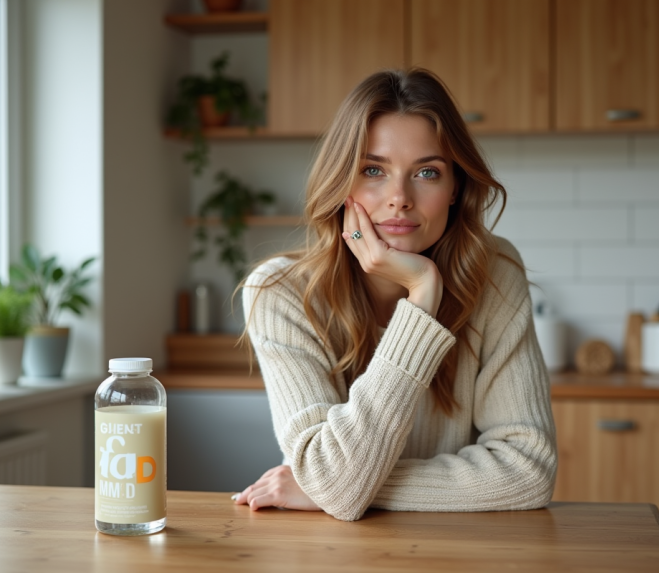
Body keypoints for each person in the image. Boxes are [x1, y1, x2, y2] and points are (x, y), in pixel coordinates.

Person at [234, 68, 557, 522]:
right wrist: (423, 299)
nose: (399, 198)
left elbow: (529, 471)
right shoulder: (281, 292)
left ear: (454, 189)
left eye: (427, 172)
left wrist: (334, 484)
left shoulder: (495, 273)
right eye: (373, 170)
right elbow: (336, 485)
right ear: (340, 182)